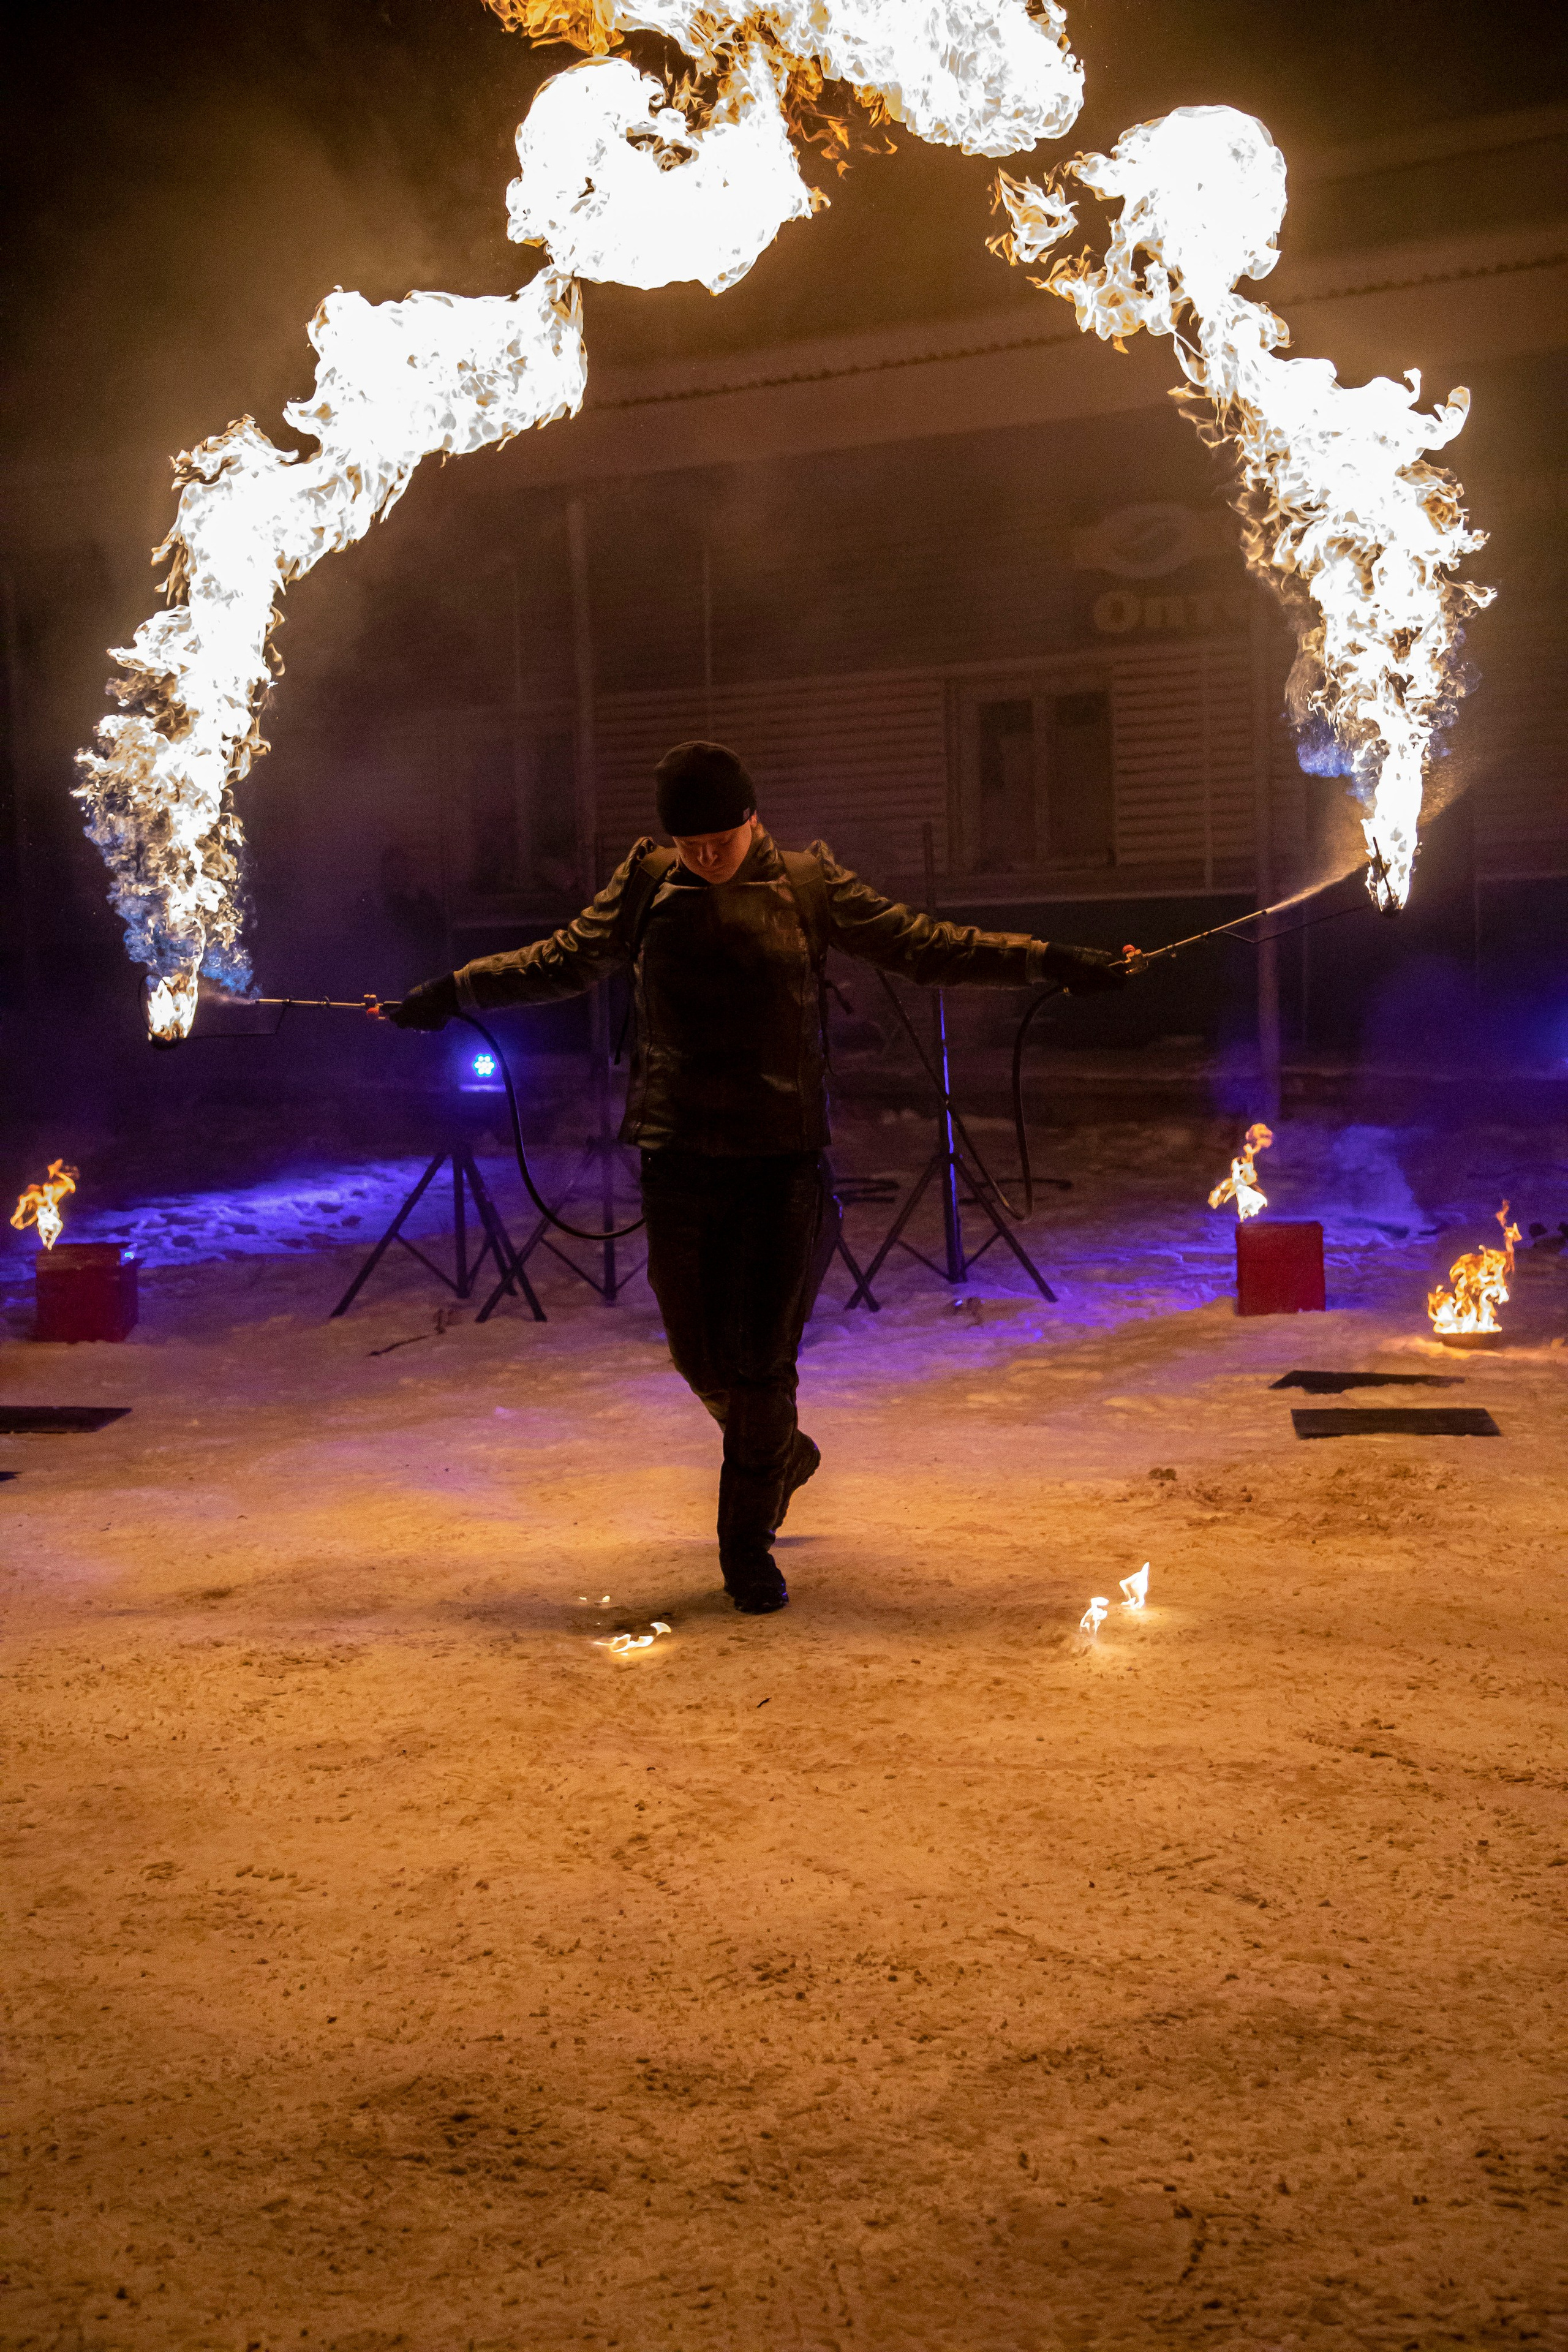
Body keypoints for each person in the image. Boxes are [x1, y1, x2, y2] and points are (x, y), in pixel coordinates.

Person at [377, 741, 1136, 1616]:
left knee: (762, 1364)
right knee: (699, 1356)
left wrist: (1051, 959)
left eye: (720, 837)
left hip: (782, 1161)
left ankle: (745, 1547)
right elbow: (562, 960)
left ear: (753, 818)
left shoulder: (810, 886)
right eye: (689, 841)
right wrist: (455, 989)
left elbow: (924, 946)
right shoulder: (645, 885)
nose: (705, 854)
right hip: (677, 1155)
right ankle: (781, 1455)